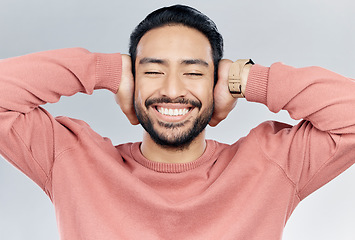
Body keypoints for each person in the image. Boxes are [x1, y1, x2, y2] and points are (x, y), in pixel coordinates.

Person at [0, 4, 354, 240]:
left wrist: (245, 78)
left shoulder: (271, 164)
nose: (172, 90)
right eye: (153, 71)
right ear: (132, 81)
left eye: (193, 72)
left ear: (215, 82)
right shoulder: (71, 160)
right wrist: (103, 69)